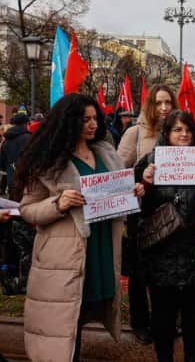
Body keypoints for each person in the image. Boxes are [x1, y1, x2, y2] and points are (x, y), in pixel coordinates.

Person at [14, 94, 145, 362]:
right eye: (85, 119)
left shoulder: (105, 152)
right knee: (64, 324)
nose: (93, 124)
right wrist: (58, 203)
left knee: (81, 315)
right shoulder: (47, 160)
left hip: (99, 248)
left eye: (95, 118)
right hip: (64, 257)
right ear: (68, 122)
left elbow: (115, 196)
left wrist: (134, 192)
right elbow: (27, 208)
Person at [135, 110, 195, 362]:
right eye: (177, 130)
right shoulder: (148, 162)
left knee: (194, 319)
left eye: (188, 130)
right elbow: (135, 208)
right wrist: (146, 185)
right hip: (160, 257)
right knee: (162, 321)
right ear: (166, 133)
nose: (184, 135)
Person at [117, 84, 179, 344]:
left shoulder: (179, 130)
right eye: (158, 103)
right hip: (141, 212)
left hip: (171, 213)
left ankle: (164, 321)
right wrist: (139, 180)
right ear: (149, 105)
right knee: (140, 272)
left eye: (168, 102)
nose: (164, 108)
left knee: (168, 270)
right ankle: (140, 323)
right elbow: (118, 170)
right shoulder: (135, 133)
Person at [0, 113, 30, 199]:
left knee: (13, 208)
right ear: (25, 123)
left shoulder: (6, 141)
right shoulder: (28, 138)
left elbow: (2, 162)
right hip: (26, 181)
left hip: (11, 180)